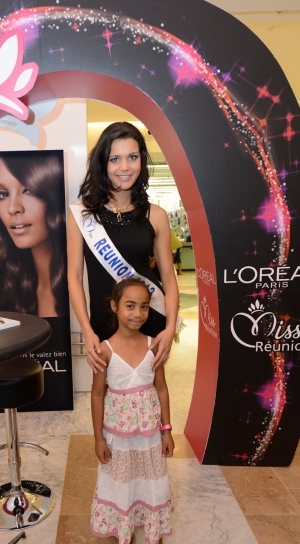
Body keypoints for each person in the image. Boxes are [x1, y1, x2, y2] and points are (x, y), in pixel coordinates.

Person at [67, 121, 179, 373]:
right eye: (115, 159)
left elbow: (169, 279)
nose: (125, 167)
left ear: (142, 160)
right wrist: (87, 330)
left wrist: (170, 328)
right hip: (103, 322)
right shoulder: (81, 215)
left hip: (148, 317)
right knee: (104, 391)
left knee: (150, 388)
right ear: (102, 163)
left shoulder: (156, 215)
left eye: (132, 157)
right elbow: (74, 277)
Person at [90, 278, 175, 544]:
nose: (138, 313)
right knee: (122, 485)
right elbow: (97, 394)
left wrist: (166, 430)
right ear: (115, 306)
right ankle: (124, 539)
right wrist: (99, 438)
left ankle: (155, 539)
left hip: (150, 435)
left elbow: (161, 389)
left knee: (153, 484)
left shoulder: (154, 346)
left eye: (144, 307)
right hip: (119, 437)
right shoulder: (104, 350)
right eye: (130, 305)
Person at [0, 150, 68, 317]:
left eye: (29, 191)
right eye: (3, 194)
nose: (12, 208)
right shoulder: (5, 288)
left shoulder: (79, 282)